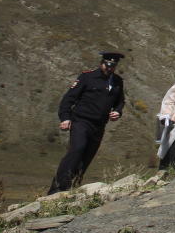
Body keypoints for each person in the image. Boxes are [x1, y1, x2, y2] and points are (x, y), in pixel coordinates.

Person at [48, 51, 125, 194]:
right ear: (102, 63)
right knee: (77, 150)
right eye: (107, 65)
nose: (109, 68)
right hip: (81, 121)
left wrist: (118, 112)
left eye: (113, 66)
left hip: (99, 125)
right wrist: (65, 117)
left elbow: (120, 102)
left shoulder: (117, 82)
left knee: (87, 156)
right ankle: (58, 188)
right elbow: (69, 99)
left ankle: (73, 187)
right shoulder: (87, 77)